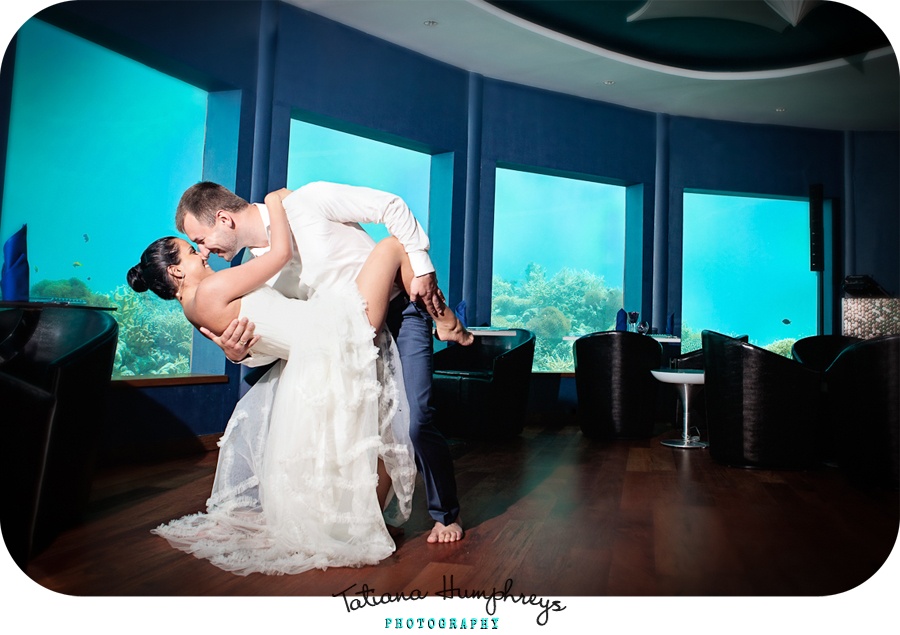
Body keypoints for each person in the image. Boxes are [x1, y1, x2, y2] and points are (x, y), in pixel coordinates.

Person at [127, 189, 471, 575]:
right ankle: (447, 322)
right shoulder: (236, 277)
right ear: (176, 272)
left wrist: (422, 268)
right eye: (194, 249)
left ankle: (401, 520)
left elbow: (390, 207)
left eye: (199, 241)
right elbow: (274, 295)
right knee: (372, 437)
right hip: (338, 333)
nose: (203, 251)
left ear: (224, 219)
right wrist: (238, 353)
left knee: (396, 428)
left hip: (381, 313)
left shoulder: (306, 203)